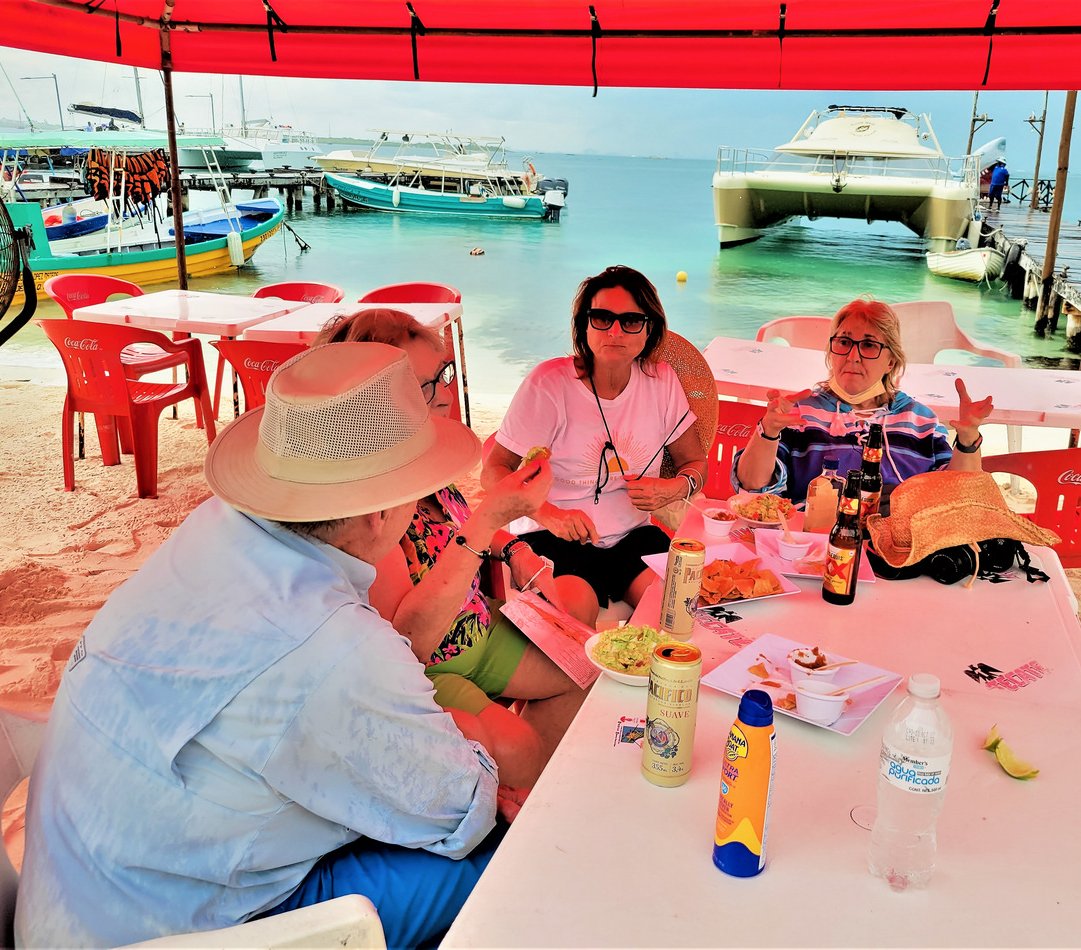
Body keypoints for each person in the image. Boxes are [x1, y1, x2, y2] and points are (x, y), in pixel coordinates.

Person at [16, 344, 538, 950]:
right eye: (417, 490)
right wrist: (466, 749)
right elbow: (461, 814)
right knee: (508, 852)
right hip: (177, 929)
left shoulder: (213, 530)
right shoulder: (334, 640)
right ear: (379, 515)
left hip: (79, 896)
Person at [313, 307, 596, 771]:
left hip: (478, 630)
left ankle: (527, 766)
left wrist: (514, 546)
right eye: (427, 384)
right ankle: (517, 766)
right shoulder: (368, 511)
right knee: (518, 748)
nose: (447, 392)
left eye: (444, 374)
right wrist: (491, 520)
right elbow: (408, 644)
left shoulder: (422, 463)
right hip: (432, 665)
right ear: (372, 399)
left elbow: (457, 527)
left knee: (585, 647)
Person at [483, 265, 708, 609]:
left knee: (677, 613)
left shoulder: (662, 382)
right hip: (553, 536)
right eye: (602, 317)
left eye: (631, 320)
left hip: (635, 536)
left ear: (649, 329)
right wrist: (547, 514)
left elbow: (694, 463)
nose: (615, 331)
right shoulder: (550, 384)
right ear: (584, 325)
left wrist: (676, 488)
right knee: (575, 627)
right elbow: (494, 471)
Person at [733, 297, 992, 510]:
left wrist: (968, 441)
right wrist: (767, 431)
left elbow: (956, 499)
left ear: (891, 361)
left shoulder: (921, 422)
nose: (853, 356)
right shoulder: (799, 414)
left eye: (868, 345)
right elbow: (752, 488)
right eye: (844, 342)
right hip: (810, 543)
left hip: (895, 551)